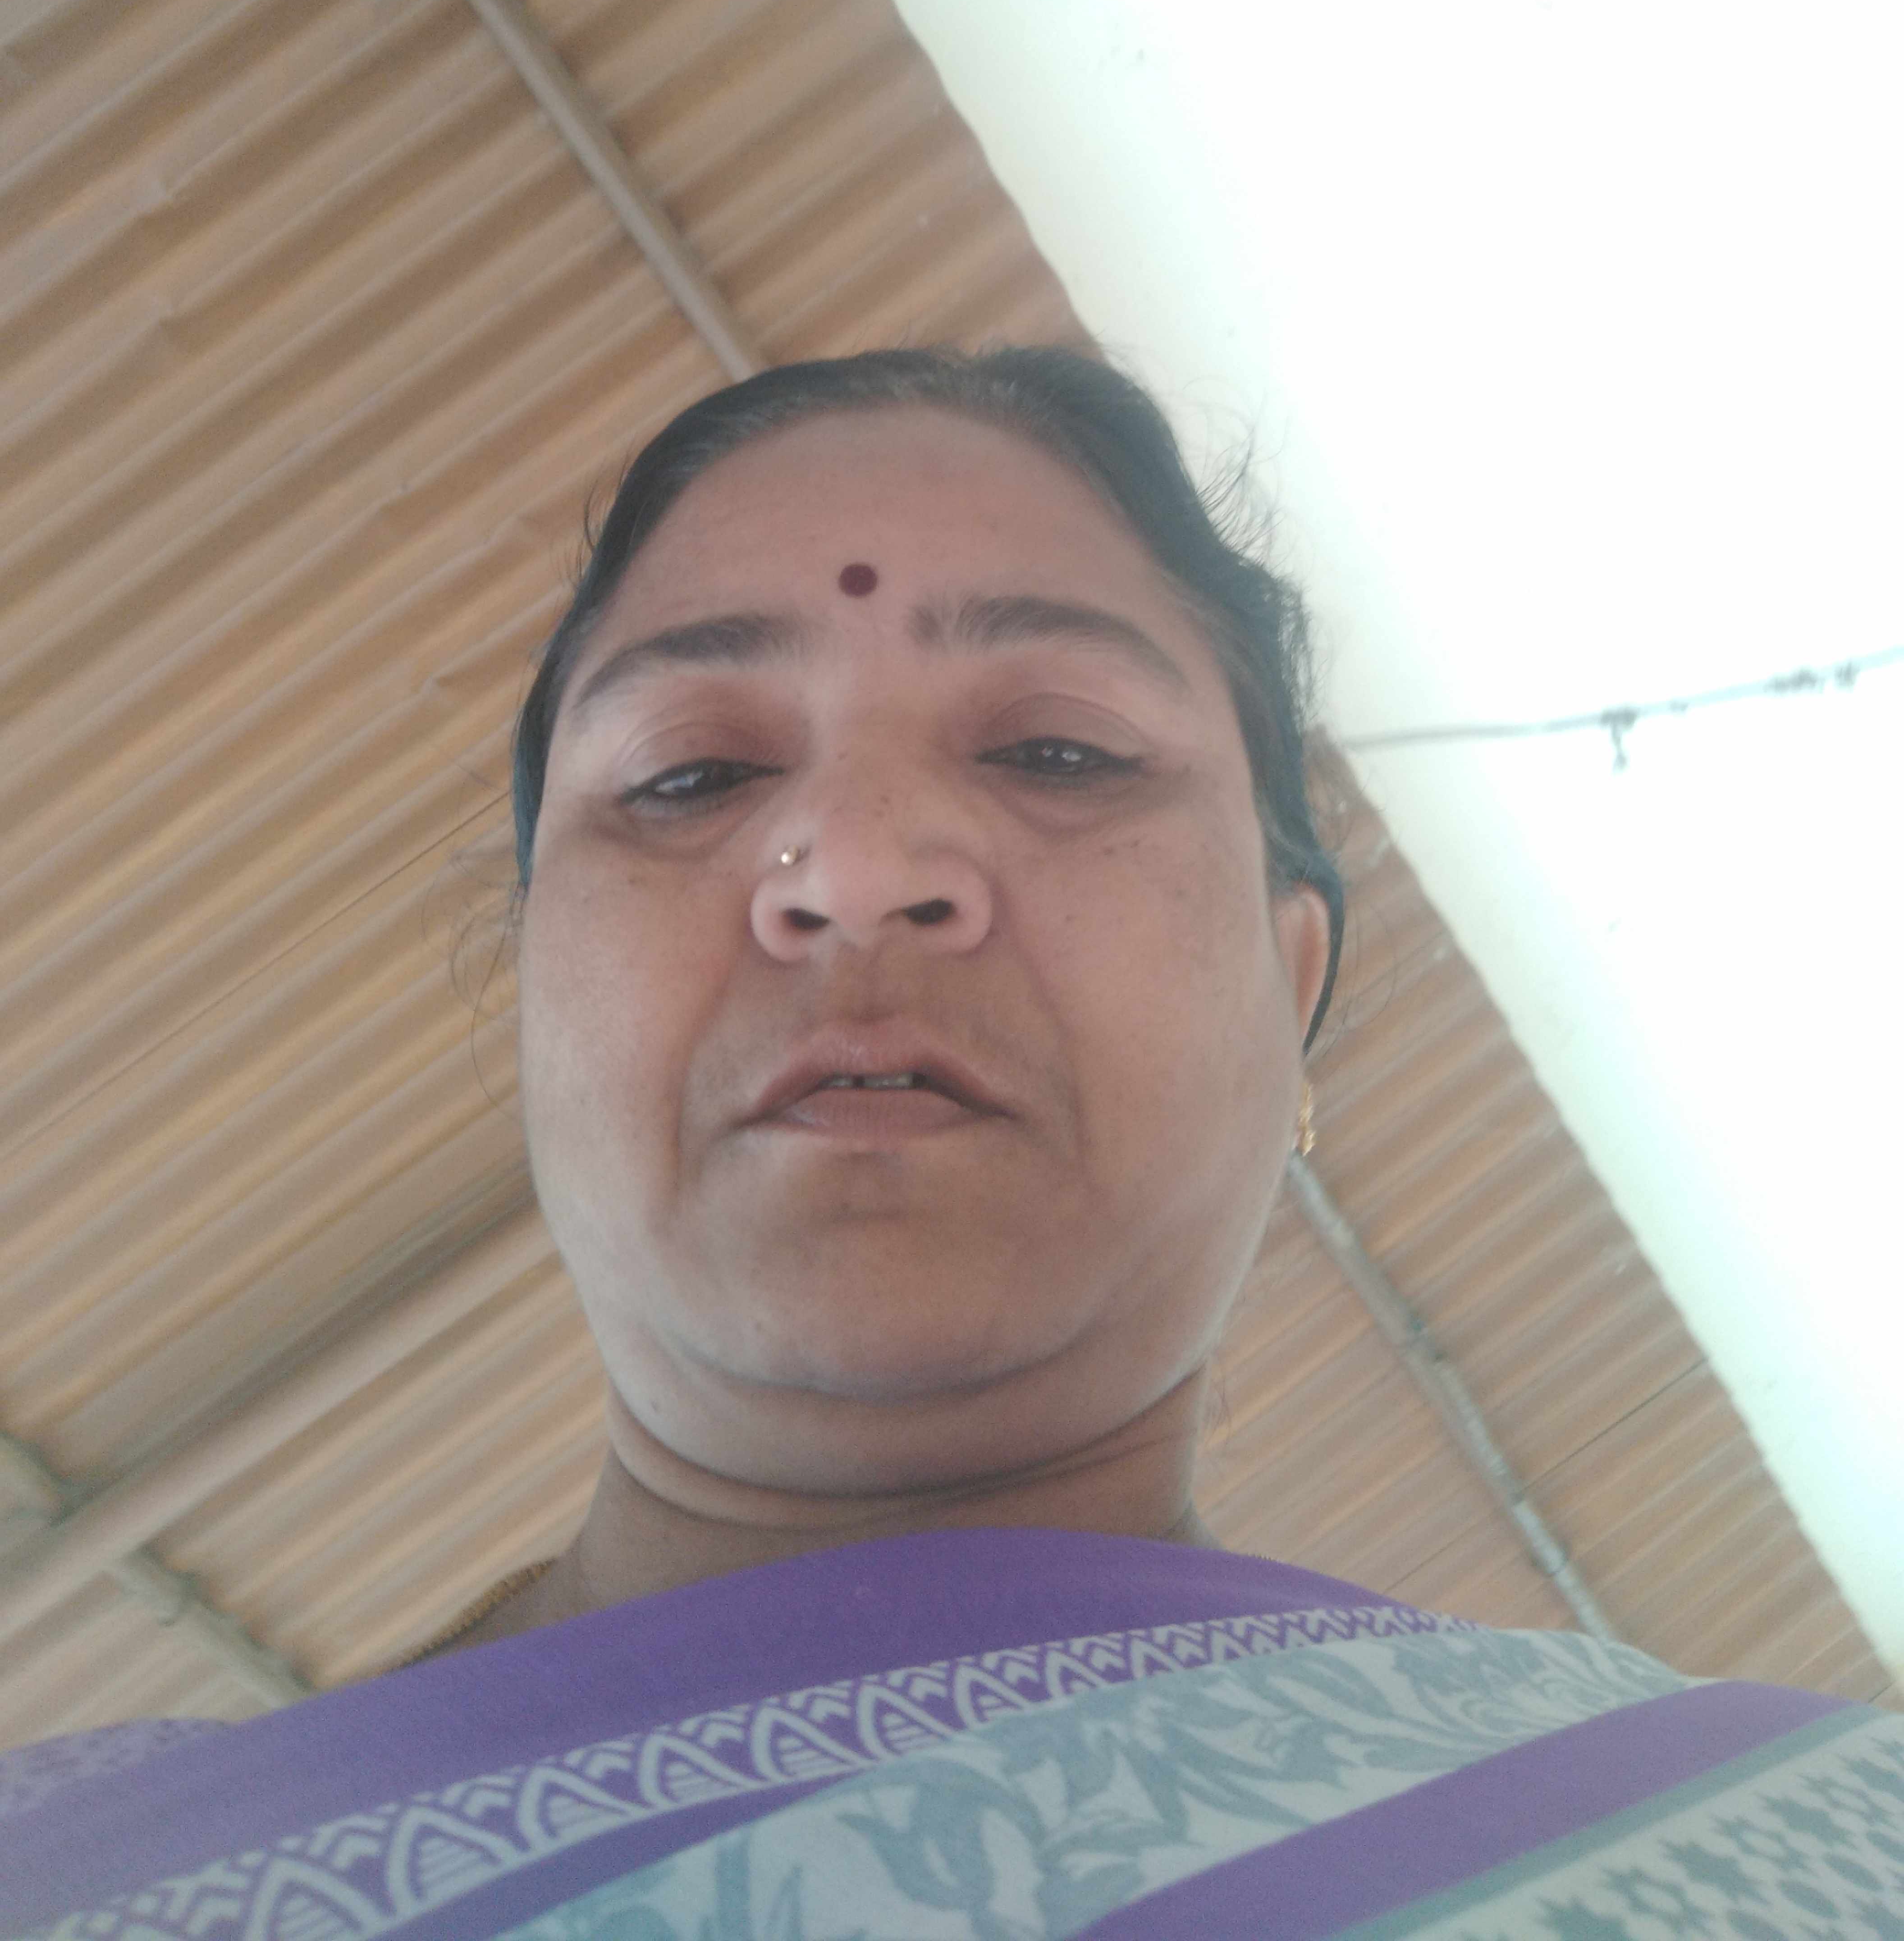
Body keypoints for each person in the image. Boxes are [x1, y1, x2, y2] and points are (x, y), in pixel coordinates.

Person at [7, 348, 1899, 1938]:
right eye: (691, 772)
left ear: (1292, 983)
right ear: (533, 992)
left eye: (1058, 752)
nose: (852, 867)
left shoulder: (1794, 1858)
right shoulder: (64, 1854)